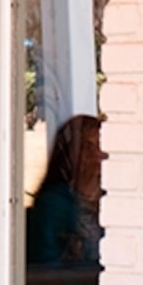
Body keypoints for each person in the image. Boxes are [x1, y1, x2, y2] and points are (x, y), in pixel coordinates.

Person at [26, 112, 102, 270]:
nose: (98, 155)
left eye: (101, 146)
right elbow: (46, 267)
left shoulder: (113, 199)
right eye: (88, 147)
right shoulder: (53, 205)